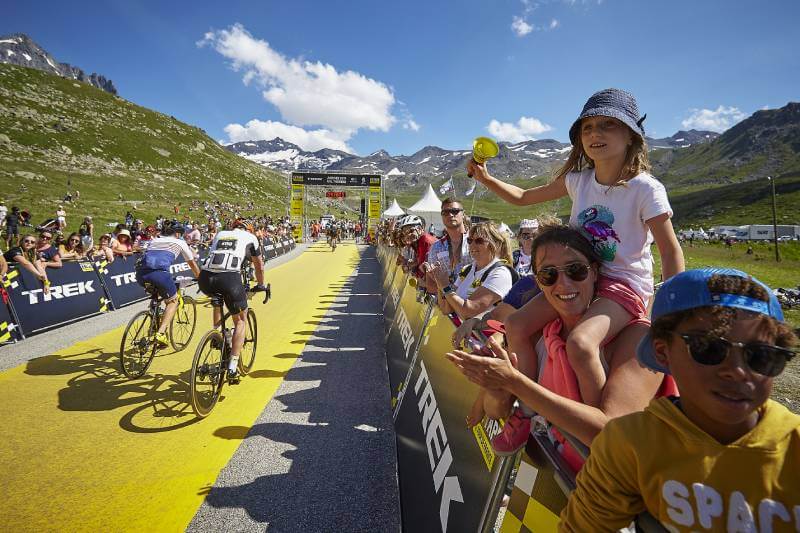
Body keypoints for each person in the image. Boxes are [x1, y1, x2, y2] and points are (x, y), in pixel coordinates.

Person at [468, 89, 684, 449]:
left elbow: (670, 250)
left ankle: (593, 433)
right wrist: (485, 178)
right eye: (587, 128)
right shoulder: (578, 181)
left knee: (582, 343)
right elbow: (522, 198)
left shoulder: (646, 188)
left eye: (607, 126)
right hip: (582, 277)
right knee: (517, 324)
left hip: (623, 286)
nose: (595, 134)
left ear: (631, 135)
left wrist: (672, 312)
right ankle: (525, 407)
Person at [560, 269, 799, 531]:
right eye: (709, 348)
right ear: (663, 352)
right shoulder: (631, 446)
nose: (738, 371)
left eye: (761, 356)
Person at [445, 223, 675, 462]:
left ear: (594, 272)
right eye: (549, 274)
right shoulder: (537, 333)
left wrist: (517, 383)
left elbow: (612, 438)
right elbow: (496, 411)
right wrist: (496, 386)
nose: (564, 284)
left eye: (576, 270)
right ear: (538, 281)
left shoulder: (637, 340)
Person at [199, 220, 267, 383]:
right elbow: (259, 266)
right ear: (247, 229)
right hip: (229, 278)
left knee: (218, 300)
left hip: (205, 278)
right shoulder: (251, 237)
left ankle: (219, 334)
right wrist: (261, 285)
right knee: (241, 321)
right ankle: (232, 367)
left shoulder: (221, 233)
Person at [430, 222, 517, 320]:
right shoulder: (467, 270)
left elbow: (467, 312)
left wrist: (445, 286)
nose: (472, 245)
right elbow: (447, 309)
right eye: (470, 240)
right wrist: (439, 283)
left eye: (479, 241)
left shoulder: (500, 274)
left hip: (483, 335)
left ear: (496, 244)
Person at [135, 223, 201, 349]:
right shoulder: (180, 242)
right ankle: (160, 333)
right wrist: (200, 278)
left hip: (140, 274)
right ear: (177, 234)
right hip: (159, 274)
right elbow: (192, 263)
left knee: (159, 293)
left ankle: (155, 314)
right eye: (180, 234)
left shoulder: (155, 240)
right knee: (173, 301)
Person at [422, 198, 471, 294]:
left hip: (473, 301)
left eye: (455, 211)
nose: (450, 215)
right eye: (445, 212)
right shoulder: (436, 247)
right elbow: (431, 287)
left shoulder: (476, 242)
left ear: (463, 214)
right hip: (448, 303)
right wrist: (441, 283)